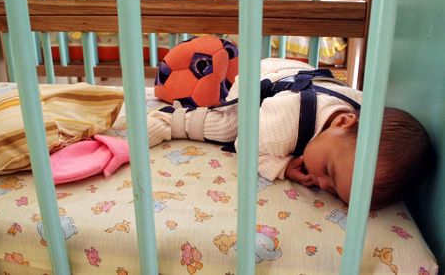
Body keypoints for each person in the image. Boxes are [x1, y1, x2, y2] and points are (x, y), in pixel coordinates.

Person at [147, 58, 434, 210]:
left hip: (297, 74)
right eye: (326, 170)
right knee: (230, 127)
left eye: (332, 190)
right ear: (343, 122)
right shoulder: (283, 123)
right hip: (263, 77)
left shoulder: (358, 115)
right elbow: (245, 143)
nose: (319, 182)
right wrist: (280, 166)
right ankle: (169, 120)